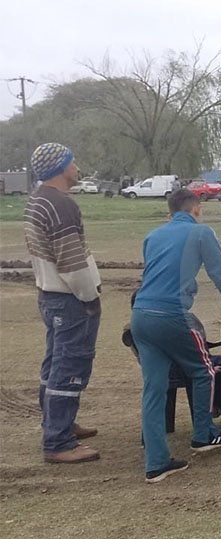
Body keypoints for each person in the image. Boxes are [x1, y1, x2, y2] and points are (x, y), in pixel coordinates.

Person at [132, 188, 221, 483]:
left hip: (141, 316)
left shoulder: (152, 237)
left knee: (154, 388)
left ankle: (156, 462)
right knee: (204, 370)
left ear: (170, 212)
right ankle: (204, 433)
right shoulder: (201, 233)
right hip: (173, 315)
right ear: (197, 209)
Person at [23, 143, 103, 464]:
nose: (76, 166)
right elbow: (71, 262)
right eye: (72, 161)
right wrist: (89, 297)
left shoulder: (38, 200)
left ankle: (58, 422)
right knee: (70, 367)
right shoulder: (61, 205)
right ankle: (58, 441)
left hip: (49, 294)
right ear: (61, 167)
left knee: (54, 363)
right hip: (70, 298)